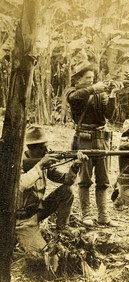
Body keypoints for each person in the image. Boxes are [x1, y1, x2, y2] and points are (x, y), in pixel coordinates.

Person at [66, 60, 123, 227]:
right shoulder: (73, 92)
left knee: (103, 180)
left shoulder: (100, 94)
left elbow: (109, 115)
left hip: (102, 139)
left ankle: (103, 216)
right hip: (84, 139)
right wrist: (93, 88)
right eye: (87, 78)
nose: (90, 80)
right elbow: (75, 98)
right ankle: (86, 214)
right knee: (84, 179)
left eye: (92, 77)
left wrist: (112, 95)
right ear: (77, 80)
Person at [16, 126, 88, 255]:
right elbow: (21, 185)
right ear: (31, 148)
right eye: (42, 147)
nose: (46, 150)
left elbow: (67, 180)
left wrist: (75, 165)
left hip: (37, 211)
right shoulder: (17, 164)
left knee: (67, 191)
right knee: (42, 254)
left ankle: (62, 228)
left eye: (46, 146)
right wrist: (39, 165)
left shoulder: (43, 162)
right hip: (22, 220)